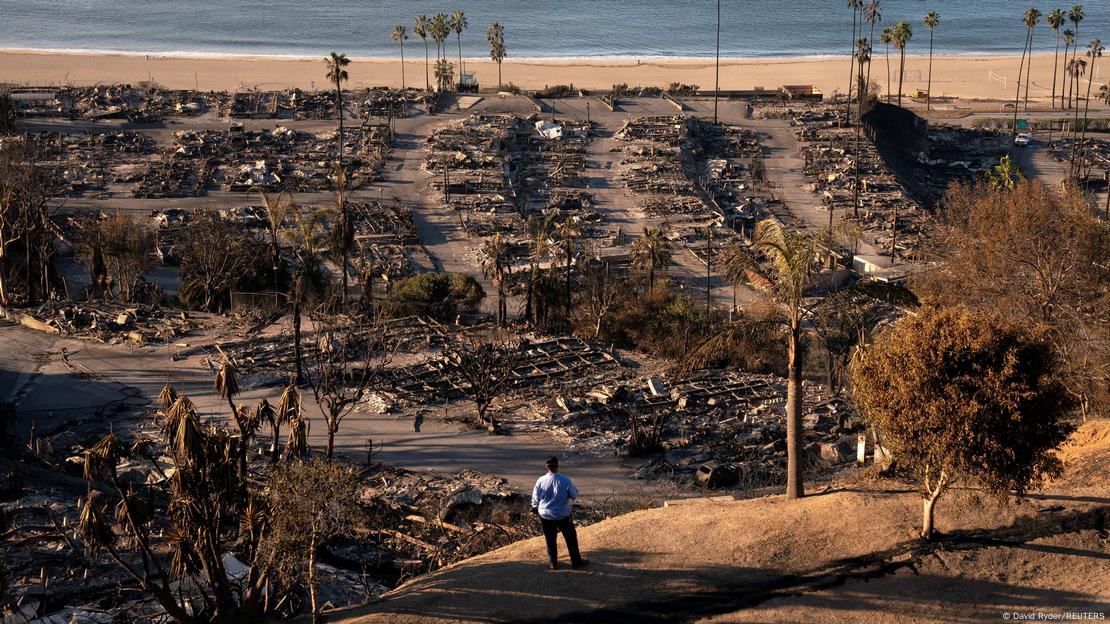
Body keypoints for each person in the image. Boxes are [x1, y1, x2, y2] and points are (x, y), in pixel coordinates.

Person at [531, 456, 587, 570]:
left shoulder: (541, 480)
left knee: (550, 539)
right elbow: (574, 495)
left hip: (546, 515)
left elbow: (535, 498)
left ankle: (552, 563)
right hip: (562, 514)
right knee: (570, 538)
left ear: (546, 467)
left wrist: (534, 508)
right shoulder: (565, 480)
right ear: (558, 466)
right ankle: (576, 562)